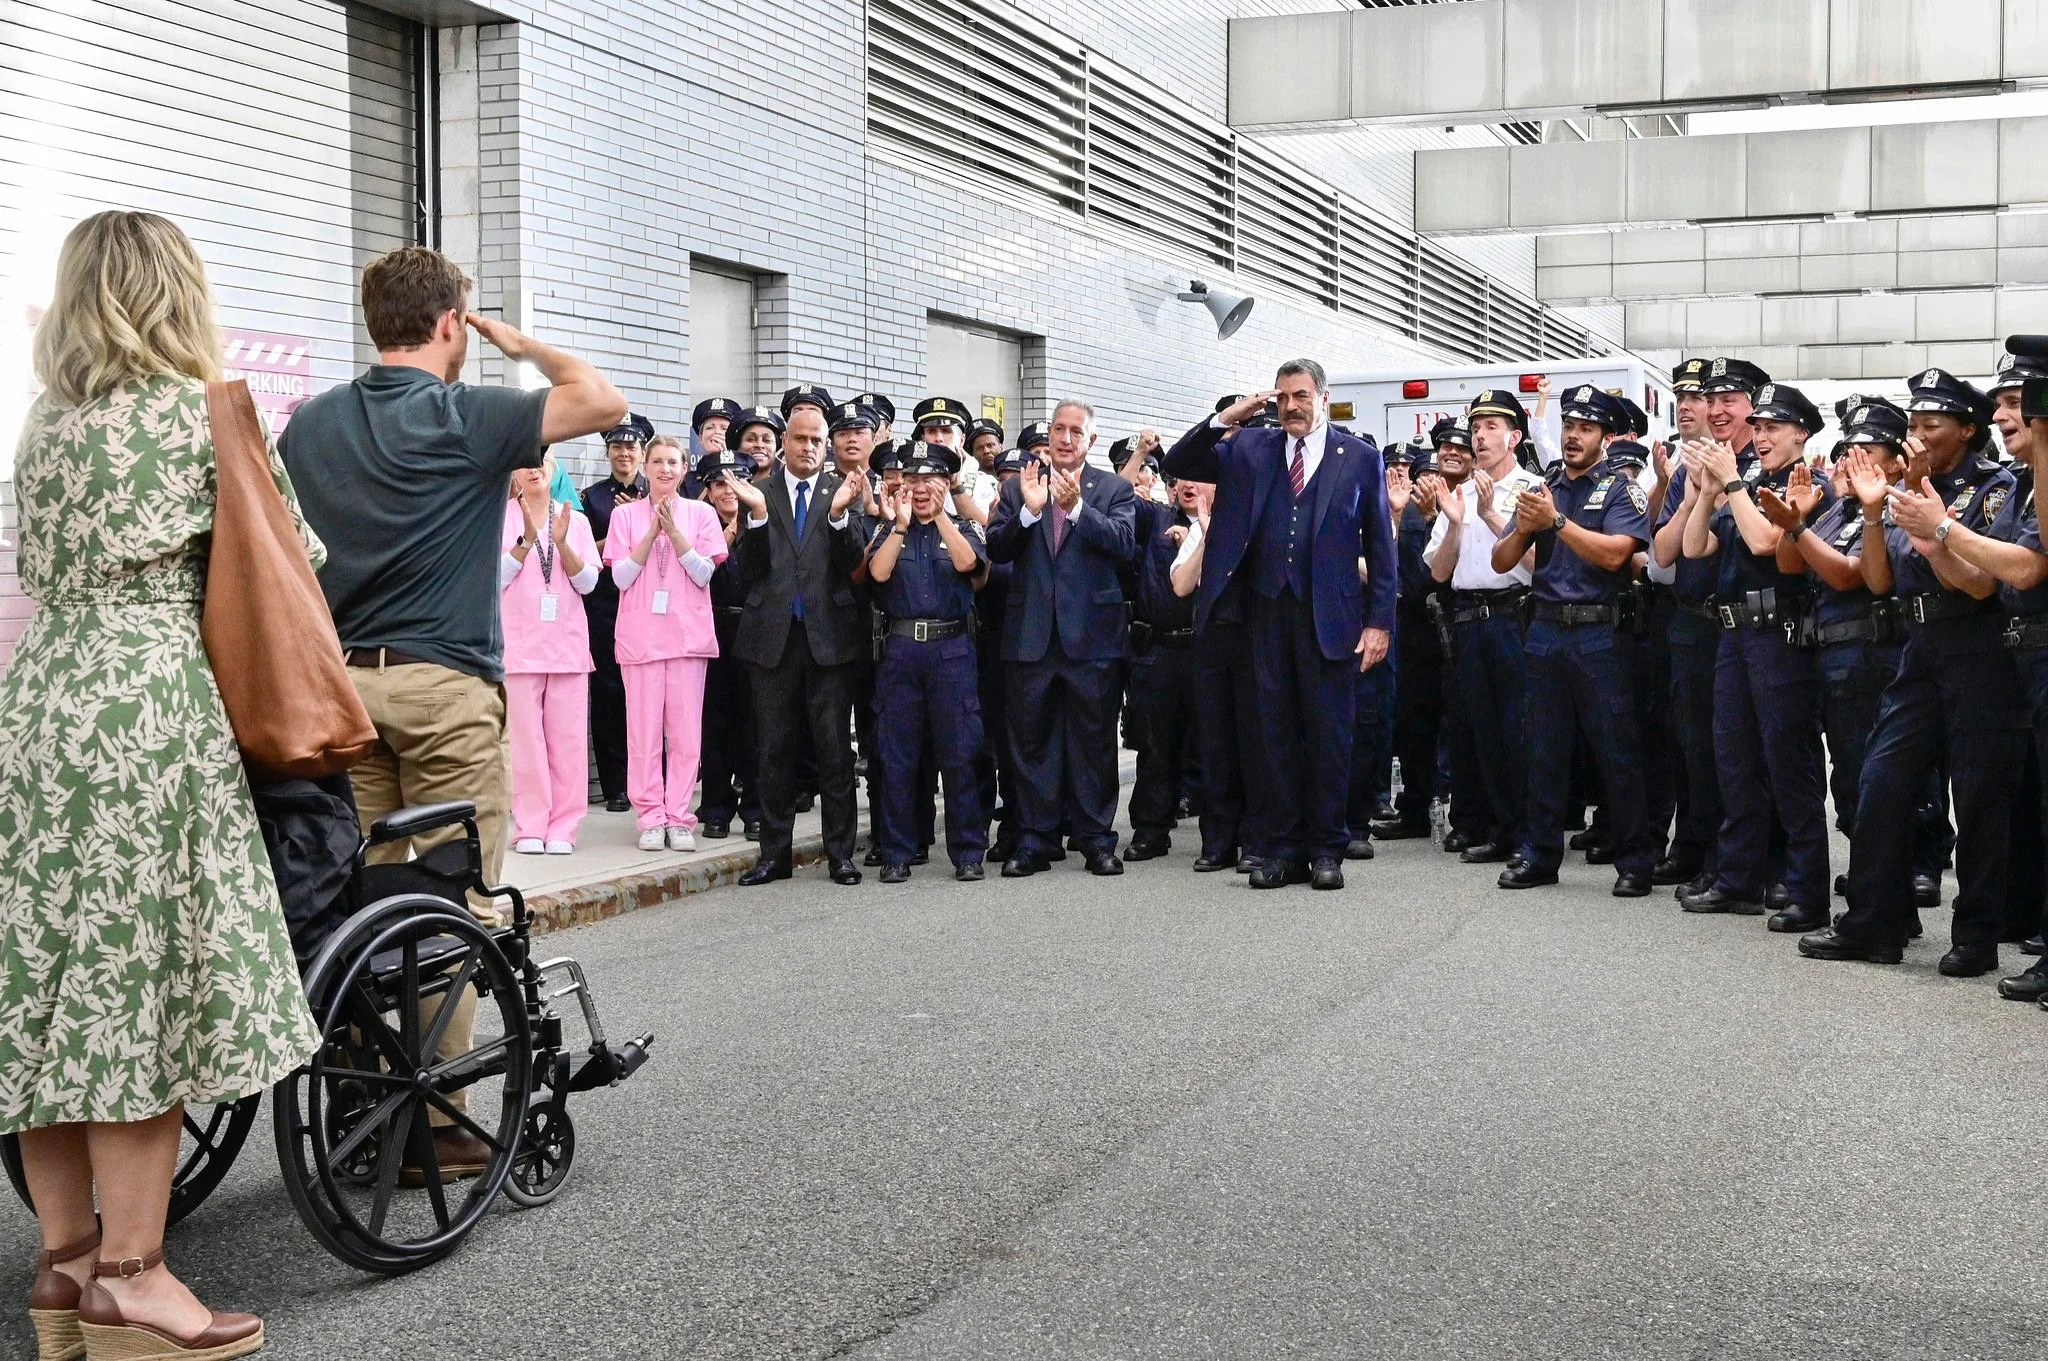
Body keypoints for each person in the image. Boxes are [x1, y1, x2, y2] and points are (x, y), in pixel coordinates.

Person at [1, 209, 314, 1356]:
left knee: (53, 991)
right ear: (178, 290)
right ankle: (133, 1278)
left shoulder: (43, 423)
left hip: (37, 706)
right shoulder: (207, 413)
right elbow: (296, 561)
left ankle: (65, 1264)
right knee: (143, 989)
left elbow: (39, 562)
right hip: (149, 709)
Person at [283, 244, 624, 1176]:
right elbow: (602, 400)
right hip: (442, 688)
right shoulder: (467, 413)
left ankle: (361, 1087)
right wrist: (517, 343)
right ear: (448, 325)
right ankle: (433, 1115)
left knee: (351, 902)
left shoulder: (308, 427)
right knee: (449, 900)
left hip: (341, 689)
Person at [1802, 369, 2024, 974]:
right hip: (1918, 644)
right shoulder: (1904, 488)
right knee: (1881, 779)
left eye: (1932, 426)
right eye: (1914, 425)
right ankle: (1876, 921)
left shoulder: (1992, 490)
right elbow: (1879, 580)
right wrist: (1879, 512)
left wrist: (1933, 533)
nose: (1918, 437)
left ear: (1967, 430)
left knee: (1977, 795)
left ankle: (1976, 935)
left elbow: (1980, 586)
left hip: (1976, 647)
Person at [1163, 360, 1397, 891]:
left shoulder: (1359, 458)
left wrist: (1379, 622)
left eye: (1301, 395)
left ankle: (1326, 849)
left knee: (1328, 736)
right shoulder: (1252, 448)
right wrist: (1230, 416)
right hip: (1263, 615)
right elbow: (1182, 459)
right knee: (1272, 737)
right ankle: (1280, 849)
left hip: (1330, 618)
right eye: (1283, 396)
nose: (1291, 405)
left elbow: (1381, 550)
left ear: (1323, 396)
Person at [1908, 355, 2048, 998]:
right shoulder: (2024, 476)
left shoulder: (2005, 478)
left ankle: (2001, 929)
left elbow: (2021, 570)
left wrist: (1940, 529)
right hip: (2017, 649)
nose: (2002, 415)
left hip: (2000, 646)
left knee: (1996, 797)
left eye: (2017, 400)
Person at [1757, 400, 1924, 928]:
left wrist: (1799, 531)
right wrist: (1798, 521)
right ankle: (1878, 904)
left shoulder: (1900, 507)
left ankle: (1883, 911)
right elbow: (1790, 565)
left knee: (1871, 788)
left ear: (1897, 463)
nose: (1853, 462)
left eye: (1869, 452)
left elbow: (1854, 576)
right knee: (1847, 786)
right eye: (1849, 452)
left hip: (1871, 657)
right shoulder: (1838, 510)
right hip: (1828, 656)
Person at [1488, 386, 1656, 895]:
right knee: (1542, 748)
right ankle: (1538, 854)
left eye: (1585, 428)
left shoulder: (1620, 488)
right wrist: (1524, 526)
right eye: (1568, 426)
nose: (1573, 436)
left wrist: (1556, 523)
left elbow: (1616, 556)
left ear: (1605, 436)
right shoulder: (1546, 486)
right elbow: (1502, 560)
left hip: (1598, 632)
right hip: (1544, 629)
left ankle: (1634, 860)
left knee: (1615, 748)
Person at [1676, 382, 1832, 924]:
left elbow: (1768, 543)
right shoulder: (1747, 483)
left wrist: (1733, 484)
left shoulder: (1808, 486)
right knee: (1734, 760)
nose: (1761, 437)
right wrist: (1701, 491)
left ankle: (1800, 881)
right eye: (1758, 427)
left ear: (1801, 434)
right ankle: (1738, 877)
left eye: (1772, 428)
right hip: (1733, 635)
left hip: (1780, 635)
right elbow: (1695, 549)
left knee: (1787, 763)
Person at [986, 400, 1138, 877]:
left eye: (1076, 431)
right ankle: (1035, 839)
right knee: (1031, 743)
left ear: (1091, 440)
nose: (1065, 438)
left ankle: (1096, 839)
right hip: (1031, 636)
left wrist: (1075, 509)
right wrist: (1030, 514)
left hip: (1091, 638)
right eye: (1058, 428)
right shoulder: (1020, 486)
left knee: (1093, 742)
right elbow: (997, 547)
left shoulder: (1113, 488)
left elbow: (1122, 544)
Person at [729, 401, 871, 885]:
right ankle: (774, 855)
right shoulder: (760, 491)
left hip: (829, 640)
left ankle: (840, 855)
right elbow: (747, 572)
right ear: (783, 442)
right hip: (772, 640)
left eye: (817, 440)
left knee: (834, 752)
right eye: (800, 438)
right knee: (773, 751)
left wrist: (836, 519)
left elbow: (857, 566)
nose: (808, 447)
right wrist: (751, 519)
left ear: (825, 444)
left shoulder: (841, 491)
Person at [1652, 357, 1765, 898]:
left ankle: (1748, 862)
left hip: (1751, 623)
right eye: (1708, 399)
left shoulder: (1764, 462)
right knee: (1695, 746)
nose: (1715, 411)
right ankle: (1701, 849)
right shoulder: (1689, 466)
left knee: (1748, 752)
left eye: (1727, 400)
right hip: (1694, 623)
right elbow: (1665, 554)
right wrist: (1694, 490)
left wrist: (1726, 483)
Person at [1427, 388, 1544, 864]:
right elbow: (1437, 572)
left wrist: (1494, 517)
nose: (1479, 437)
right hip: (1468, 619)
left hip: (1514, 616)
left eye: (1492, 427)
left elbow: (1539, 564)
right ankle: (1498, 828)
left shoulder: (1533, 488)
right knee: (1482, 730)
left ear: (1514, 436)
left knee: (1520, 729)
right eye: (1476, 427)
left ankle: (1529, 834)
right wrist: (1456, 524)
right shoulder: (1458, 493)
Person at [867, 443, 991, 881]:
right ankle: (898, 852)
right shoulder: (889, 530)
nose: (921, 489)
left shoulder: (964, 528)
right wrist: (900, 525)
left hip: (951, 650)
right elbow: (878, 575)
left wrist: (941, 516)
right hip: (901, 651)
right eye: (913, 480)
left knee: (960, 755)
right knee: (898, 755)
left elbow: (969, 565)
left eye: (930, 480)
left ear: (946, 482)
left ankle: (968, 852)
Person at [606, 433, 728, 851]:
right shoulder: (625, 517)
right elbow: (620, 578)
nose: (664, 469)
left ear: (683, 468)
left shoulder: (702, 514)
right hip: (640, 640)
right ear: (646, 466)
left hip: (687, 639)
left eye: (673, 462)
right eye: (656, 461)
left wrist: (675, 534)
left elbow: (704, 574)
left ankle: (679, 815)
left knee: (685, 735)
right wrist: (650, 533)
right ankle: (650, 817)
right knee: (642, 735)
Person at [502, 451, 602, 855]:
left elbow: (589, 583)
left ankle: (564, 825)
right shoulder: (500, 516)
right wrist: (527, 542)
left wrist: (561, 544)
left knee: (568, 742)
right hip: (519, 647)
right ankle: (530, 825)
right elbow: (493, 579)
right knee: (525, 743)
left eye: (541, 458)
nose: (533, 466)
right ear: (513, 472)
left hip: (567, 645)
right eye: (524, 460)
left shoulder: (574, 519)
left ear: (553, 466)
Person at [1375, 431, 1453, 842]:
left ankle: (1466, 810)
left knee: (1460, 718)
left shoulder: (1466, 504)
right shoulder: (1405, 513)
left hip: (1460, 621)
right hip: (1415, 623)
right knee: (1414, 718)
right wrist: (1401, 513)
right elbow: (1391, 564)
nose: (1428, 484)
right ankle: (1416, 806)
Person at [1124, 468, 1206, 860]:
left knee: (1216, 745)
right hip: (1159, 650)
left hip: (1209, 649)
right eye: (1178, 481)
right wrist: (1139, 454)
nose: (1187, 485)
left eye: (1196, 479)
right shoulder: (1154, 517)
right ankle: (1150, 830)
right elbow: (1113, 494)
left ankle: (1223, 835)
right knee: (1155, 746)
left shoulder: (1227, 522)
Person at [582, 416, 653, 812]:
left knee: (646, 696)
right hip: (607, 606)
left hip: (649, 607)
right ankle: (615, 786)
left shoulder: (655, 494)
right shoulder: (592, 498)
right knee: (610, 695)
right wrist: (622, 529)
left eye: (632, 448)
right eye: (617, 447)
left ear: (643, 453)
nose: (624, 454)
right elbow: (580, 550)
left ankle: (648, 781)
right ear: (608, 452)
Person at [694, 448, 762, 840]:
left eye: (736, 481)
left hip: (753, 629)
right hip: (712, 626)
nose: (728, 490)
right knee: (714, 725)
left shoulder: (763, 521)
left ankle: (755, 807)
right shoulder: (699, 526)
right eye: (719, 483)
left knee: (753, 726)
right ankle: (716, 806)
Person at [732, 405, 783, 475]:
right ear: (738, 446)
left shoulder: (789, 485)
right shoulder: (723, 485)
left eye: (767, 440)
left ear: (777, 448)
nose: (759, 445)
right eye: (751, 439)